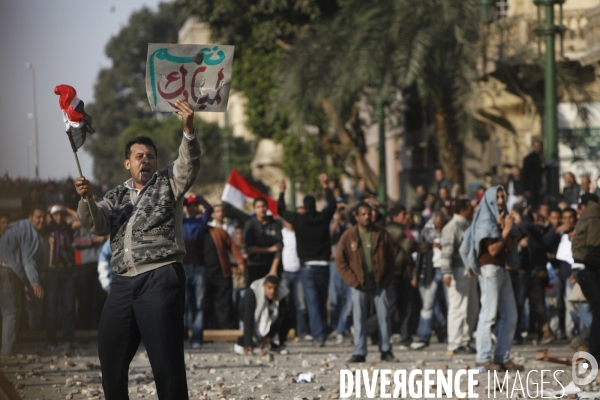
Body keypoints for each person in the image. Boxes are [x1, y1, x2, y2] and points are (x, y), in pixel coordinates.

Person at [74, 99, 199, 400]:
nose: (146, 161)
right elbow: (97, 223)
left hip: (159, 278)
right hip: (123, 283)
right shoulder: (115, 195)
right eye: (139, 156)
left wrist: (189, 131)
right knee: (111, 356)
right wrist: (86, 198)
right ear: (127, 163)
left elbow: (188, 165)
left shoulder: (169, 182)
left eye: (151, 157)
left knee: (166, 364)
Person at [460, 186, 523, 371]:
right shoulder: (485, 219)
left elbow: (509, 246)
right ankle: (483, 358)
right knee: (488, 314)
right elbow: (493, 250)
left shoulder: (499, 217)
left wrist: (507, 228)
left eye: (503, 196)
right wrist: (505, 231)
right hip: (489, 269)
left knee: (510, 314)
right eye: (497, 197)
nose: (501, 200)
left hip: (502, 269)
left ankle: (502, 356)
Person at [278, 174, 336, 346]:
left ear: (304, 207)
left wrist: (282, 192)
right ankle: (322, 332)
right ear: (315, 207)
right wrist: (326, 187)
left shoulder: (299, 219)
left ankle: (319, 335)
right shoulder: (323, 217)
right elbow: (332, 205)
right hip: (324, 265)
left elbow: (280, 211)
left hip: (307, 266)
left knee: (312, 302)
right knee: (323, 299)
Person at [336, 202, 398, 362]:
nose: (367, 217)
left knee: (384, 316)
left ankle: (386, 349)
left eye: (369, 214)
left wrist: (388, 277)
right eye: (363, 214)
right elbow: (340, 261)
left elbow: (392, 258)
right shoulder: (348, 236)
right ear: (356, 217)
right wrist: (352, 280)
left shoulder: (382, 233)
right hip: (358, 284)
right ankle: (359, 351)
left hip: (380, 283)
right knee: (359, 317)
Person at [0, 205, 46, 356]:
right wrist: (34, 282)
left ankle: (9, 349)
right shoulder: (28, 232)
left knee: (10, 311)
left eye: (43, 217)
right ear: (30, 217)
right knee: (12, 312)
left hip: (8, 269)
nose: (41, 220)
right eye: (38, 217)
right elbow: (27, 260)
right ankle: (8, 351)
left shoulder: (17, 226)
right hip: (7, 271)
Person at [440, 199, 477, 354]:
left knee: (471, 308)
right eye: (469, 208)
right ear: (462, 209)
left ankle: (465, 340)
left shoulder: (468, 225)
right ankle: (455, 343)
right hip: (457, 271)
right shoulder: (452, 227)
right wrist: (447, 273)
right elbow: (446, 252)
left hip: (470, 270)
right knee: (458, 308)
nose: (472, 211)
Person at [410, 213, 450, 350]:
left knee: (452, 306)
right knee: (428, 305)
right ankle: (423, 336)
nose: (439, 230)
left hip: (447, 270)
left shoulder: (451, 230)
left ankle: (453, 337)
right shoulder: (426, 232)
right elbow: (421, 254)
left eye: (441, 227)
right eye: (437, 227)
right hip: (430, 271)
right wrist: (416, 275)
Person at [202, 222, 246, 334]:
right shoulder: (191, 233)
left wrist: (240, 262)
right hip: (202, 275)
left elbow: (232, 245)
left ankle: (227, 331)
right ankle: (206, 331)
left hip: (221, 273)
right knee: (204, 304)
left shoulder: (218, 231)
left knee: (225, 304)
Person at [182, 194, 213, 349]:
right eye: (190, 205)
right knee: (184, 304)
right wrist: (182, 200)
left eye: (195, 205)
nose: (193, 208)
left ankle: (196, 337)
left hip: (199, 268)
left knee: (199, 304)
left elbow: (210, 209)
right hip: (183, 268)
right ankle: (183, 335)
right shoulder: (181, 221)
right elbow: (170, 210)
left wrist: (200, 198)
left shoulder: (201, 221)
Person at [572, 193, 600, 362]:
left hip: (582, 270)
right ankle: (595, 354)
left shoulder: (586, 218)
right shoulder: (595, 219)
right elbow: (593, 253)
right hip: (588, 270)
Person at [45, 205, 76, 350]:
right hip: (52, 271)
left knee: (68, 307)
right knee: (51, 307)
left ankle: (67, 339)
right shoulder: (47, 229)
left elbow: (81, 219)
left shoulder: (67, 228)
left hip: (67, 271)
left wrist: (66, 208)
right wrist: (48, 211)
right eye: (55, 215)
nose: (58, 218)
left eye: (60, 215)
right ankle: (51, 340)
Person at [234, 275, 289, 355]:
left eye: (274, 288)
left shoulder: (281, 293)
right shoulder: (253, 292)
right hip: (247, 314)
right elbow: (248, 317)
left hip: (269, 318)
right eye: (269, 288)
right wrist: (248, 343)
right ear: (264, 286)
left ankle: (276, 344)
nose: (272, 291)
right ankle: (245, 343)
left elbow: (282, 316)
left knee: (287, 317)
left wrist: (270, 335)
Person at [72, 223, 108, 330]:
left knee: (101, 297)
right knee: (84, 298)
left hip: (100, 262)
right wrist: (92, 240)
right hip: (83, 264)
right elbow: (72, 242)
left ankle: (101, 328)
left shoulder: (102, 220)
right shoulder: (76, 223)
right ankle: (83, 329)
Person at [280, 219, 310, 341]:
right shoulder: (281, 233)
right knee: (285, 303)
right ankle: (284, 331)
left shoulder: (301, 232)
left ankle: (303, 331)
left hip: (299, 271)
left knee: (301, 303)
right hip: (285, 272)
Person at [243, 198, 282, 284]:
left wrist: (273, 269)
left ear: (267, 208)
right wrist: (269, 249)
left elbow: (278, 248)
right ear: (254, 209)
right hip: (255, 265)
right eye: (258, 207)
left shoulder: (274, 224)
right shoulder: (250, 224)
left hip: (271, 264)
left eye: (263, 206)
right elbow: (248, 248)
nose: (261, 209)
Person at [329, 201, 352, 344]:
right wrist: (337, 221)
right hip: (335, 262)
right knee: (336, 298)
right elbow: (329, 235)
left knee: (349, 299)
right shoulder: (331, 223)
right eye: (339, 209)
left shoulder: (350, 224)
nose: (341, 212)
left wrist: (347, 210)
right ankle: (337, 326)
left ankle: (342, 328)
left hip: (349, 262)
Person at [521, 139, 544, 207]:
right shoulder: (529, 158)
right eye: (536, 146)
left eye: (539, 146)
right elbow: (524, 174)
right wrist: (526, 189)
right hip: (532, 187)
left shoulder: (540, 157)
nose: (538, 148)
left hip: (538, 187)